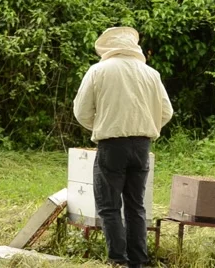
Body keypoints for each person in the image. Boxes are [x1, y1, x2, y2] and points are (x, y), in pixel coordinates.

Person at [73, 27, 173, 268]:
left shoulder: (98, 71)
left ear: (107, 46)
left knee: (109, 206)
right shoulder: (151, 73)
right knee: (136, 206)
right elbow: (166, 112)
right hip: (142, 146)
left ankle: (118, 260)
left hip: (112, 145)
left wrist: (101, 125)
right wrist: (147, 128)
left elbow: (81, 111)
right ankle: (138, 261)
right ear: (134, 46)